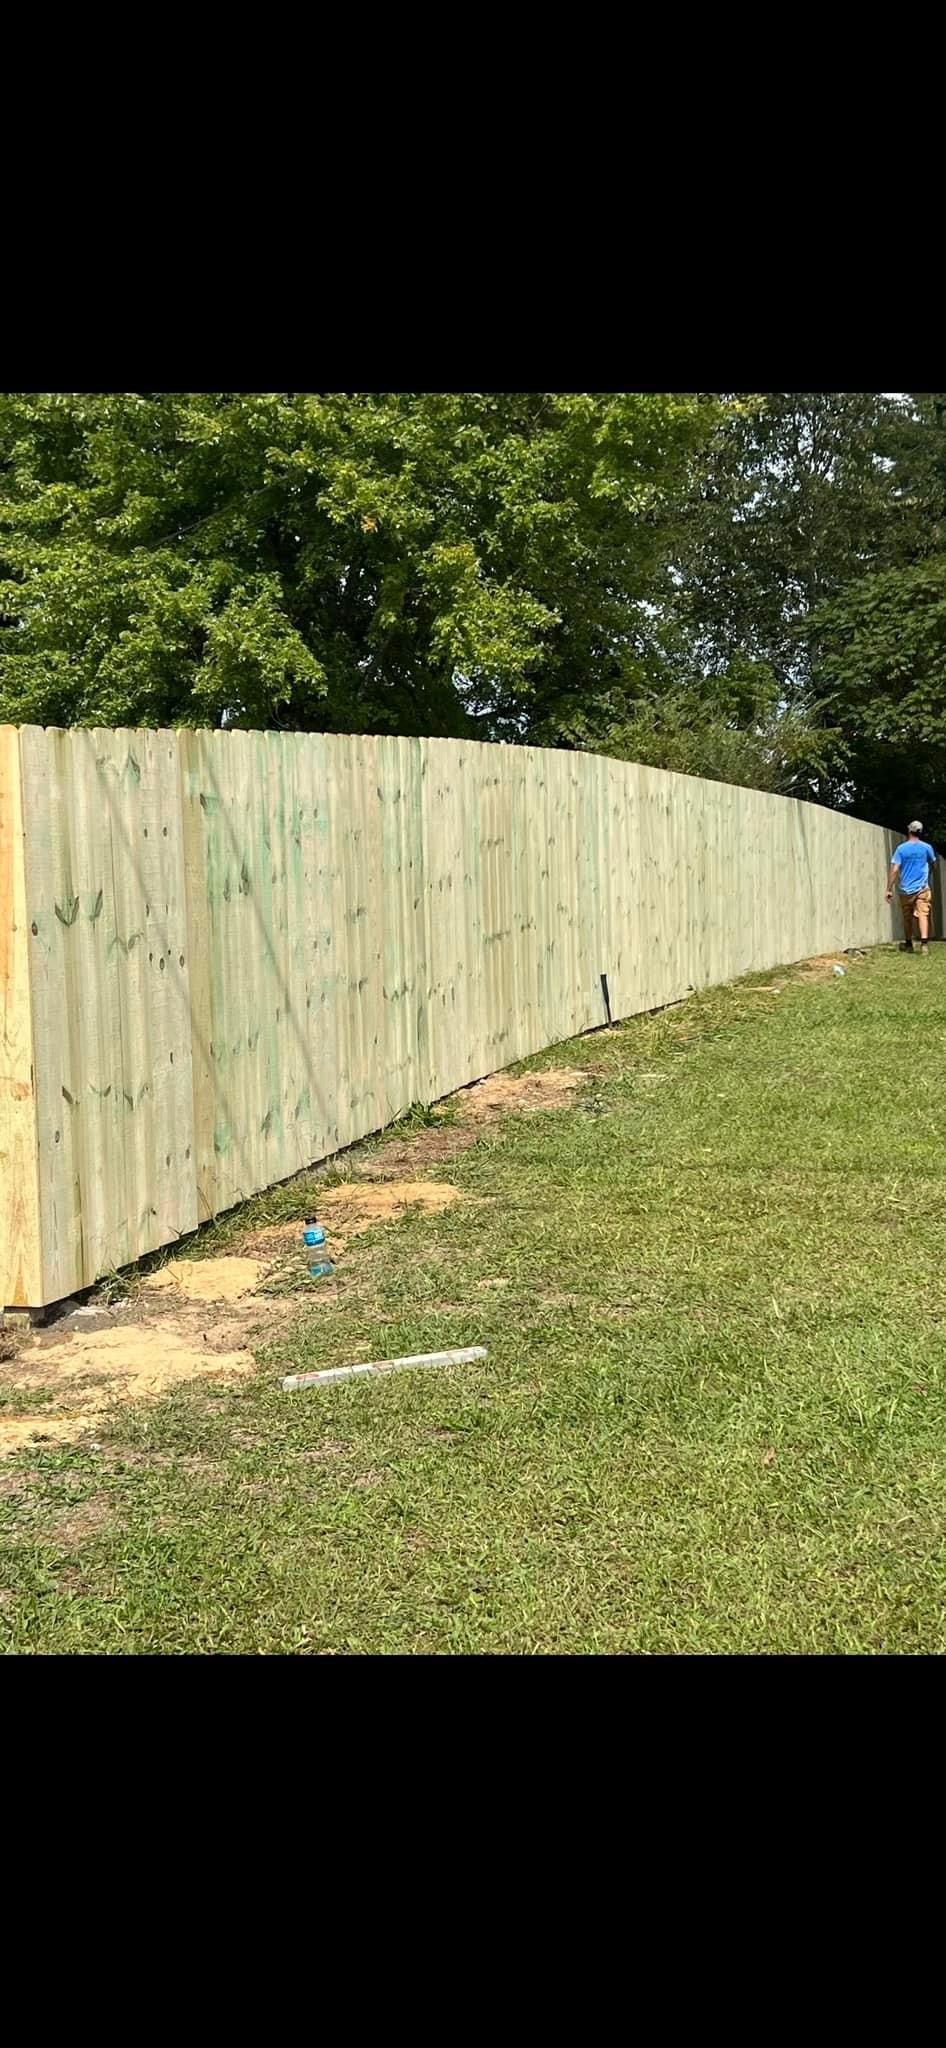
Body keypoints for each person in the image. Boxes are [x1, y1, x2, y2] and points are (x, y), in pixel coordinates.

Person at [886, 821, 937, 954]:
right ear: (920, 832)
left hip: (905, 889)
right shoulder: (927, 848)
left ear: (909, 831)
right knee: (923, 914)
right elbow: (932, 864)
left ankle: (909, 944)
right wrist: (928, 875)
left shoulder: (901, 849)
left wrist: (889, 888)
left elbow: (895, 869)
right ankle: (924, 945)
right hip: (922, 888)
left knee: (907, 916)